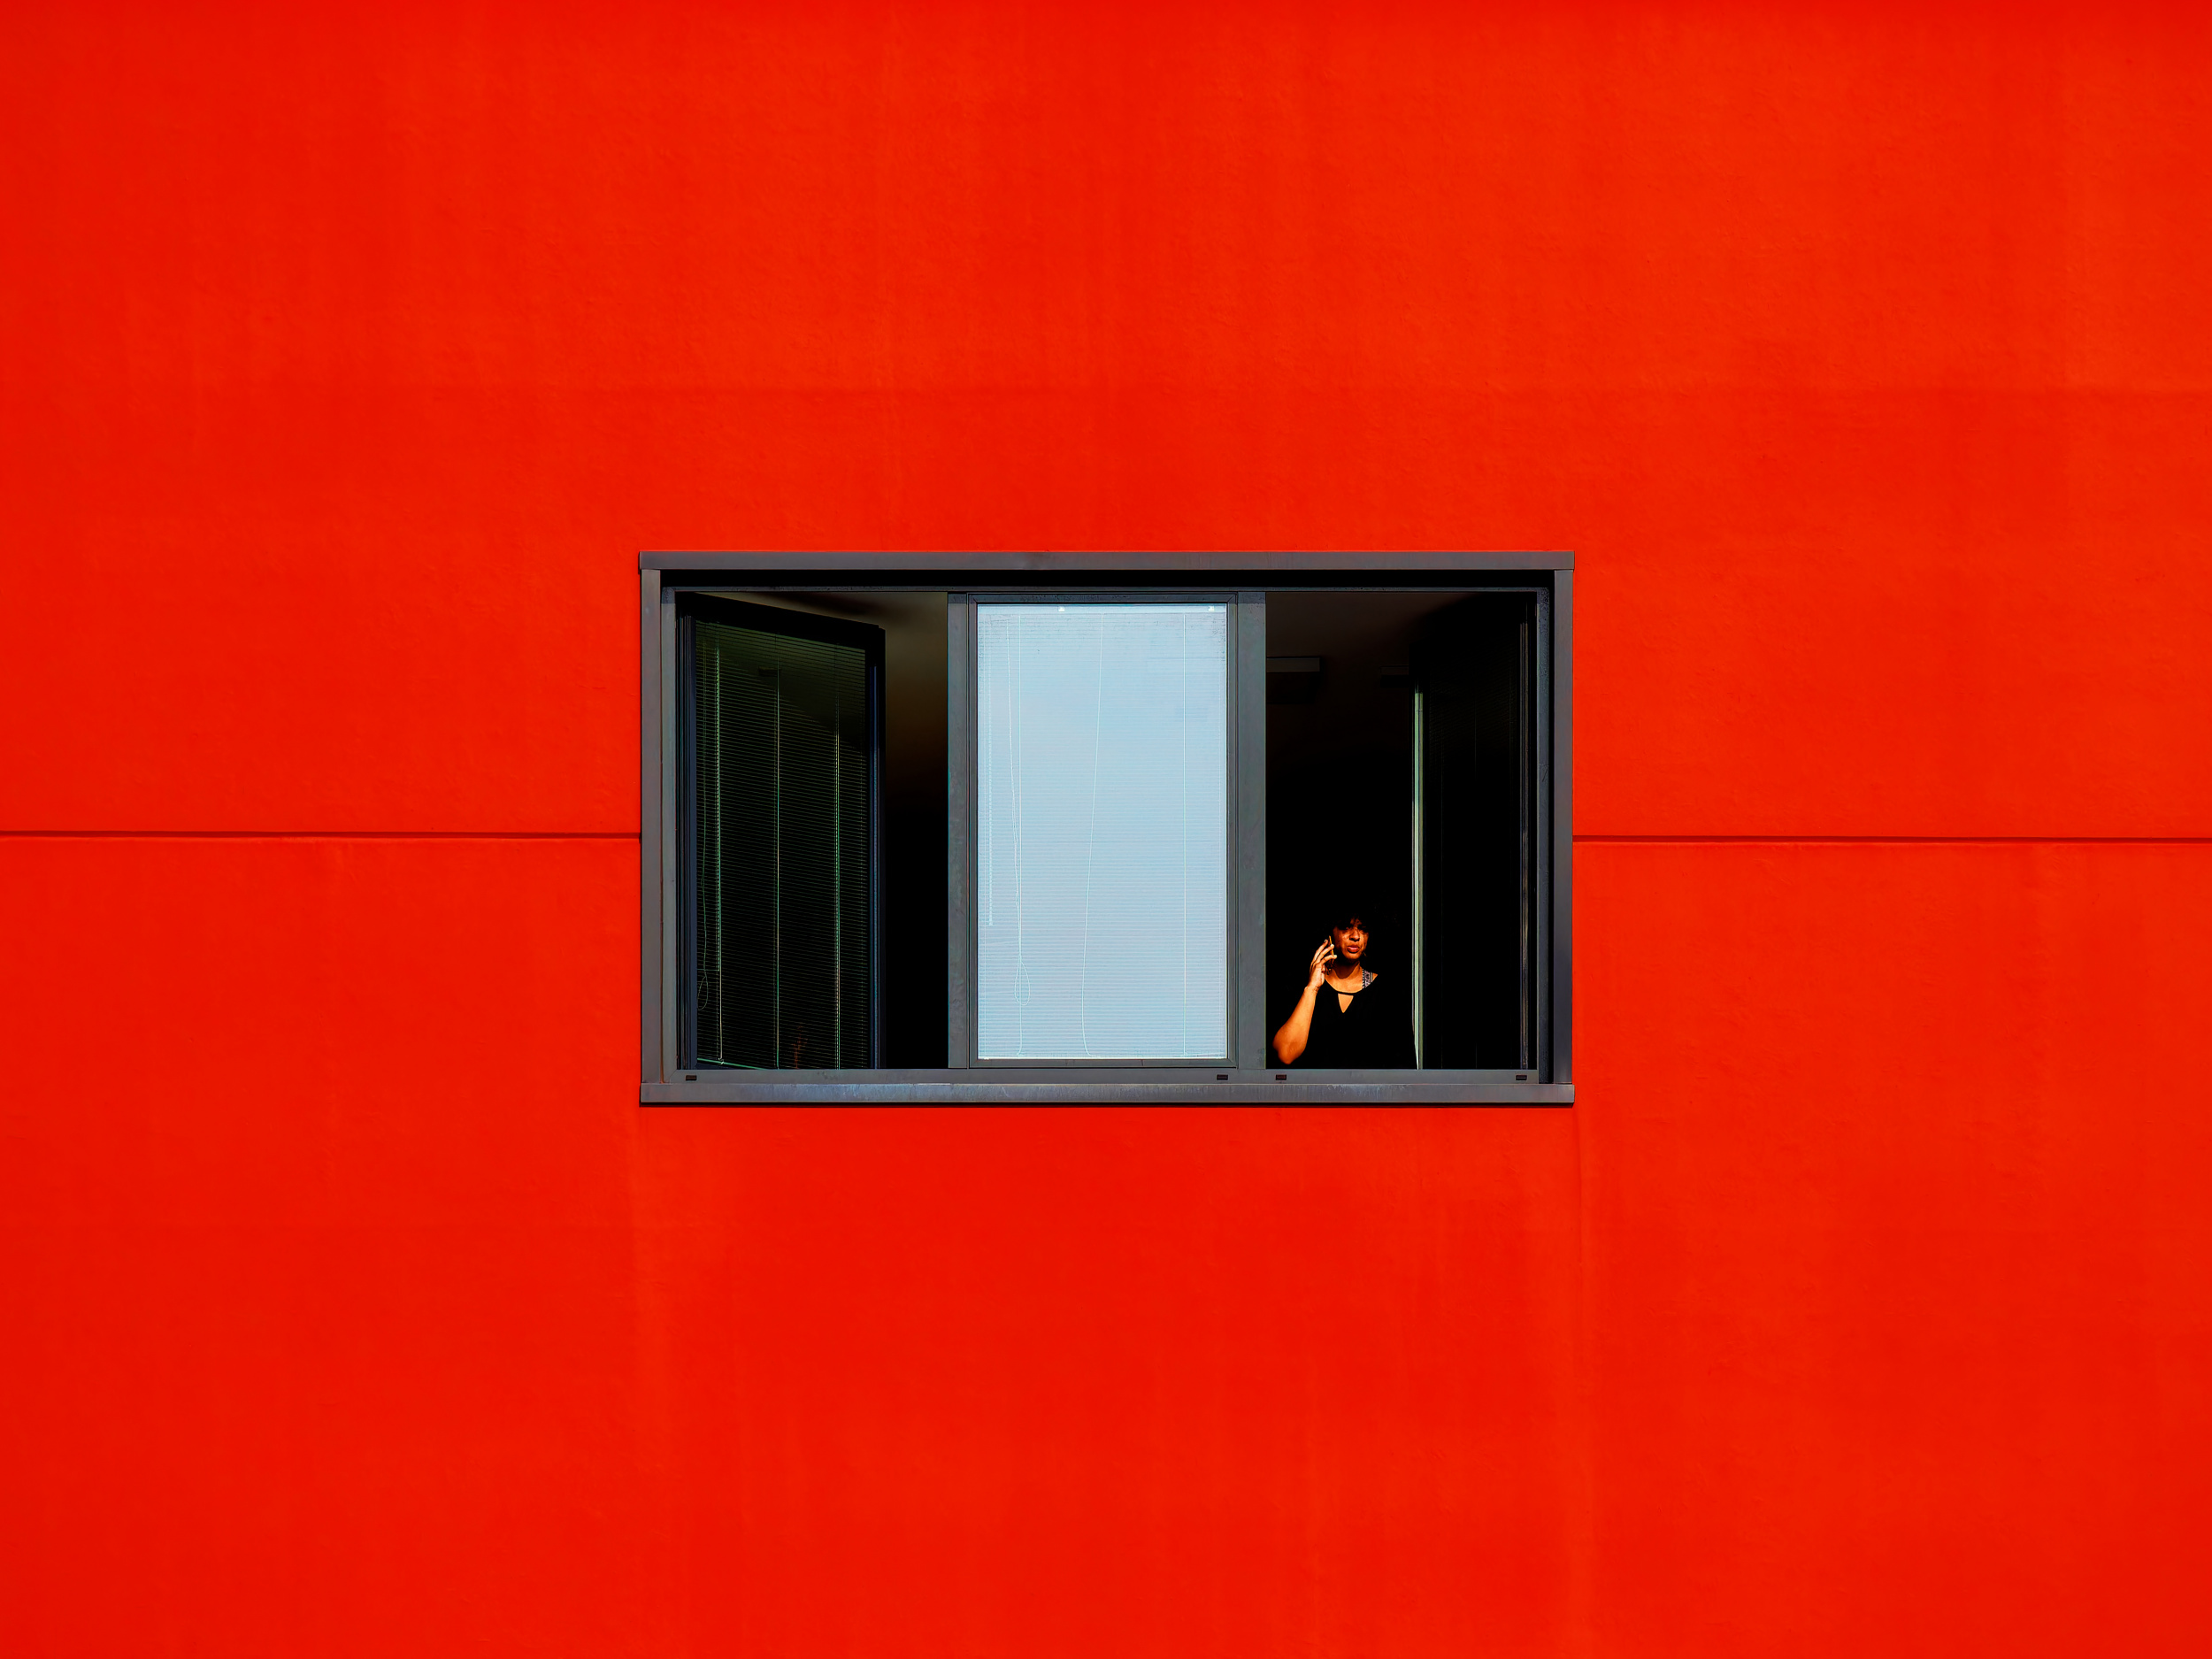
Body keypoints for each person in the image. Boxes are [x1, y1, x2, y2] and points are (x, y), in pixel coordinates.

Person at [1271, 903, 1417, 1068]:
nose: (1355, 936)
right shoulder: (1306, 987)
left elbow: (1405, 1069)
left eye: (1363, 929)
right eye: (1346, 928)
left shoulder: (1387, 993)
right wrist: (1312, 989)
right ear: (1330, 933)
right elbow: (1285, 1054)